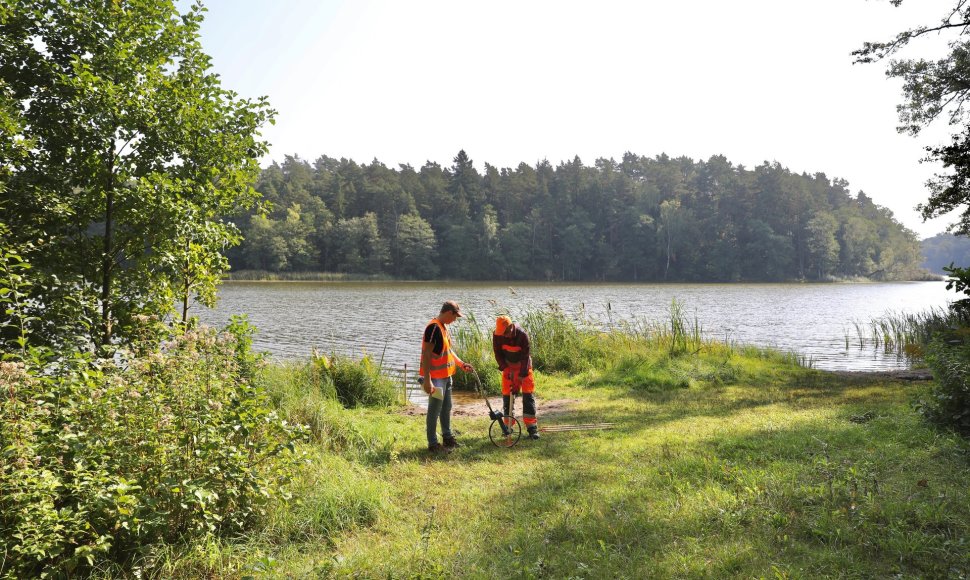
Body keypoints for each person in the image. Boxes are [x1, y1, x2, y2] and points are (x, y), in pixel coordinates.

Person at [419, 300, 474, 454]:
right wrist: (427, 380)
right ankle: (433, 444)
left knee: (446, 408)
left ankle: (448, 438)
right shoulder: (433, 328)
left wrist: (461, 364)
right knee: (434, 410)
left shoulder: (443, 327)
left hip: (446, 376)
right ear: (449, 312)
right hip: (435, 379)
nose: (455, 320)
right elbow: (427, 355)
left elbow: (448, 351)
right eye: (455, 317)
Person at [492, 315, 539, 440]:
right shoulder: (497, 335)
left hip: (524, 367)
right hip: (508, 367)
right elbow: (498, 354)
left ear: (511, 327)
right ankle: (508, 427)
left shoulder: (522, 335)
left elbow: (525, 356)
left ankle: (532, 428)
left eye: (506, 332)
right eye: (501, 333)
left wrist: (520, 376)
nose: (504, 336)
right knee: (507, 396)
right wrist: (506, 369)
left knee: (528, 397)